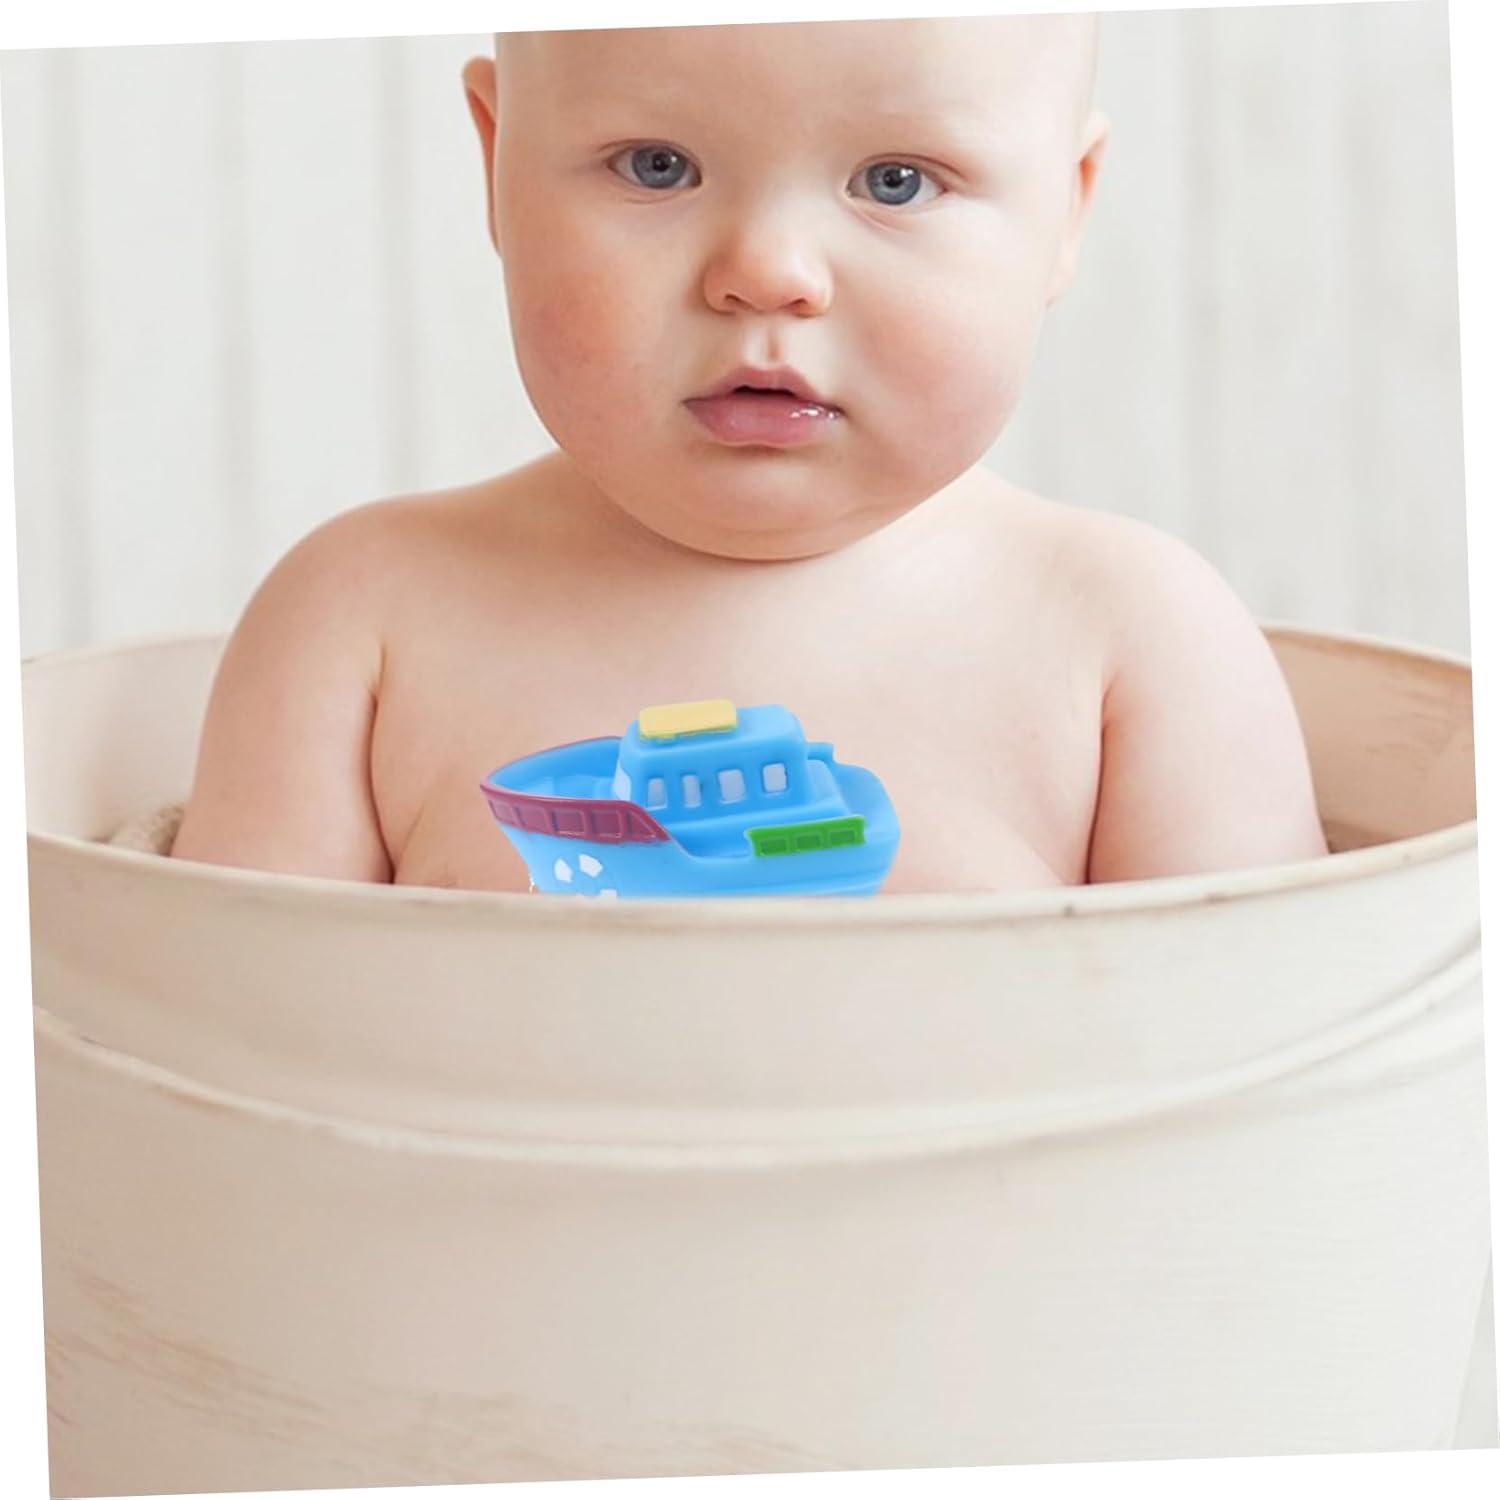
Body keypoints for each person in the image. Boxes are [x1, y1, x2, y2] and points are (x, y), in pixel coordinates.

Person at [172, 15, 1328, 894]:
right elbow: (221, 1065)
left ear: (1065, 212)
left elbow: (1259, 1096)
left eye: (895, 182)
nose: (768, 271)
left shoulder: (1135, 647)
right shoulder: (361, 626)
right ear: (497, 163)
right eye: (656, 165)